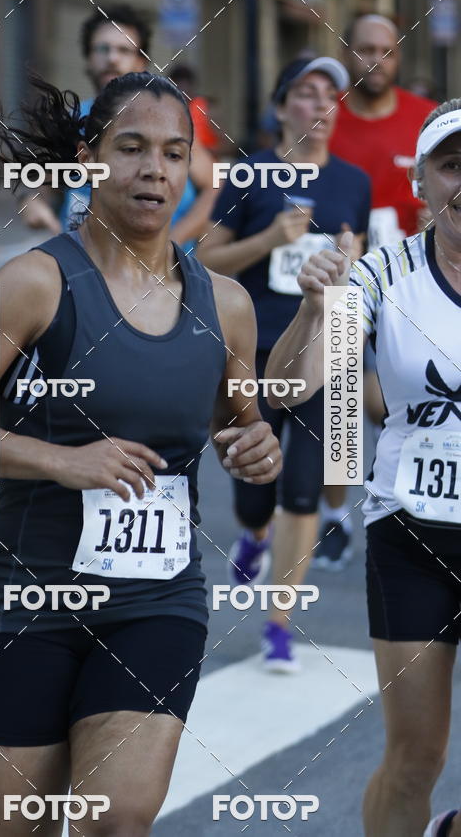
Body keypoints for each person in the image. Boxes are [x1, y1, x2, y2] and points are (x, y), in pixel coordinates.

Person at [0, 71, 281, 836]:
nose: (154, 170)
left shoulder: (227, 306)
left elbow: (241, 424)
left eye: (175, 154)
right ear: (88, 159)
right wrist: (63, 461)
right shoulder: (29, 283)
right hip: (25, 597)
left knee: (115, 817)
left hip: (156, 599)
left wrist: (255, 446)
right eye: (131, 148)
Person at [266, 99, 461, 836]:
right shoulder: (383, 273)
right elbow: (290, 387)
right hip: (412, 539)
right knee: (416, 756)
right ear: (423, 186)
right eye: (451, 165)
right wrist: (317, 307)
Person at [197, 56, 370, 671]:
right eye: (305, 92)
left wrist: (350, 260)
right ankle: (252, 535)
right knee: (256, 489)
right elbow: (207, 256)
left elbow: (360, 265)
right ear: (281, 108)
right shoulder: (250, 175)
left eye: (330, 93)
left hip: (322, 351)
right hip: (255, 347)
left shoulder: (353, 180)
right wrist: (269, 241)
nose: (319, 104)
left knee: (302, 490)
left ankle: (280, 623)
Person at [313, 14, 439, 571]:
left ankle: (413, 482)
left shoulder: (422, 119)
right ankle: (336, 515)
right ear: (349, 53)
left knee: (390, 399)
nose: (376, 61)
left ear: (399, 58)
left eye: (386, 51)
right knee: (341, 395)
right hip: (348, 276)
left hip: (417, 280)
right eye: (365, 50)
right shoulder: (327, 115)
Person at [20, 7, 217, 255]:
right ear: (89, 58)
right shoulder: (72, 119)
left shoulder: (169, 120)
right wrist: (32, 201)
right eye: (102, 49)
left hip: (160, 276)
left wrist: (173, 242)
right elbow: (43, 179)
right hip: (83, 267)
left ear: (141, 61)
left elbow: (215, 188)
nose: (112, 58)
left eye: (123, 50)